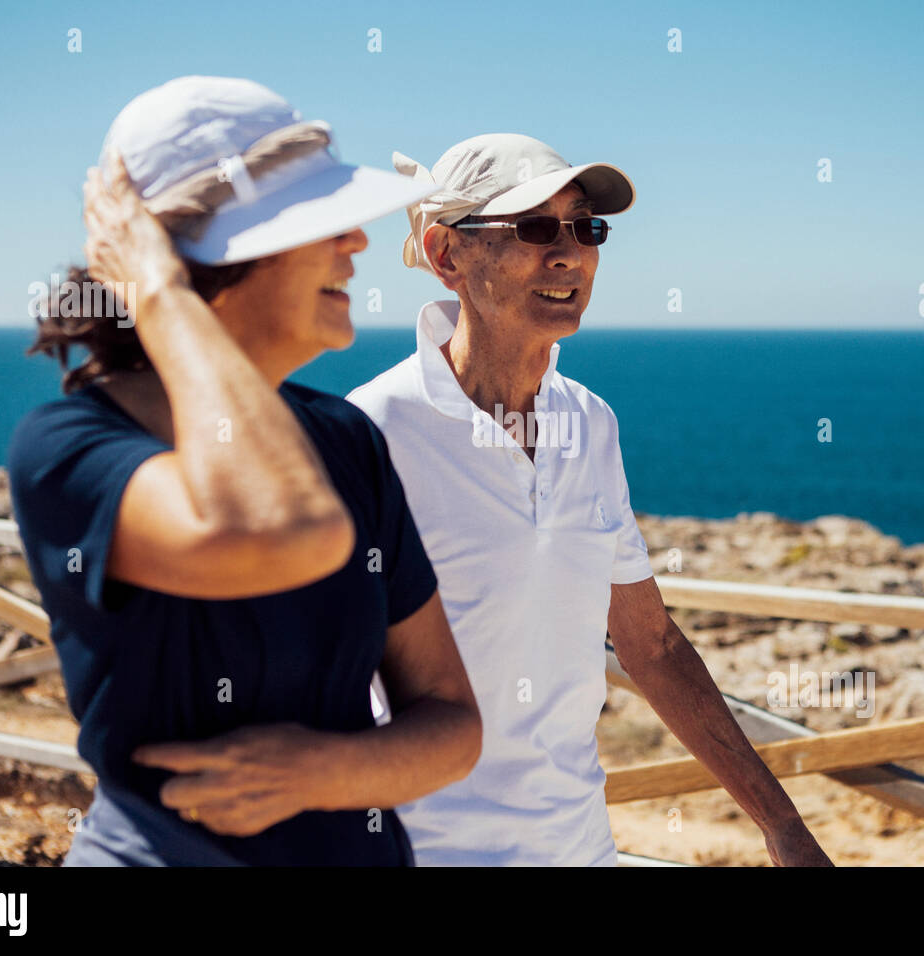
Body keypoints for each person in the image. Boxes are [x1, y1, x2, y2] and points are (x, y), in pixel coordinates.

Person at [7, 76, 480, 866]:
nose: (358, 243)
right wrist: (155, 289)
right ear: (202, 262)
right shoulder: (68, 445)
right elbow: (282, 528)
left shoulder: (344, 438)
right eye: (319, 224)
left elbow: (452, 722)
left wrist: (316, 773)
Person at [348, 134, 832, 866]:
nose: (570, 252)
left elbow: (651, 644)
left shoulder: (590, 422)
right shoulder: (372, 434)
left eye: (585, 227)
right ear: (447, 255)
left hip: (579, 849)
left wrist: (783, 827)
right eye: (535, 228)